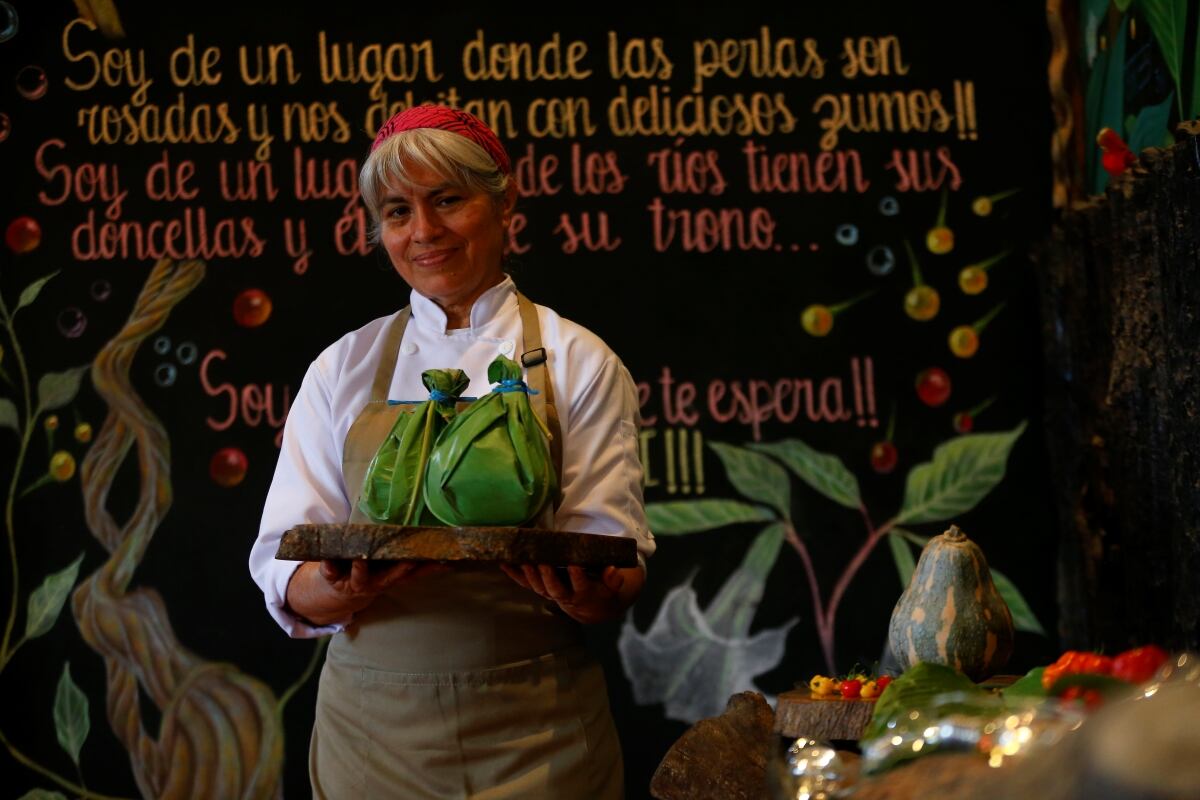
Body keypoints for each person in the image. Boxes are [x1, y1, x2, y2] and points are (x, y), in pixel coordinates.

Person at [247, 105, 655, 799]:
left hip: (538, 734)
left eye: (447, 200)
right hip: (373, 740)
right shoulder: (342, 367)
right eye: (397, 212)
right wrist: (341, 587)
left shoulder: (580, 360)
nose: (423, 231)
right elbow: (283, 568)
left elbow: (615, 561)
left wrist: (587, 591)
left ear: (504, 203)